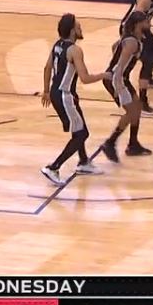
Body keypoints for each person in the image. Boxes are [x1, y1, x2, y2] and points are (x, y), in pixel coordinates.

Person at [39, 14, 109, 185]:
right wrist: (104, 75)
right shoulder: (75, 50)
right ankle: (53, 167)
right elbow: (85, 78)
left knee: (79, 128)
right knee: (82, 134)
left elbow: (47, 67)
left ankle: (84, 162)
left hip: (57, 92)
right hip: (65, 95)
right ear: (72, 31)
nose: (80, 28)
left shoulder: (57, 45)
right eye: (78, 26)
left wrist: (46, 91)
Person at [100, 11, 152, 162]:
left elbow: (114, 47)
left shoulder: (131, 39)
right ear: (138, 24)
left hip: (122, 78)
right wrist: (118, 88)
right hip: (117, 79)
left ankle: (133, 144)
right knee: (132, 111)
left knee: (137, 107)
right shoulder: (132, 42)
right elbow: (118, 69)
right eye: (146, 21)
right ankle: (110, 143)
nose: (149, 24)